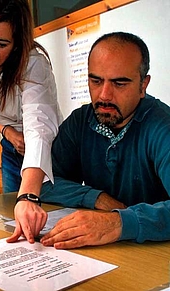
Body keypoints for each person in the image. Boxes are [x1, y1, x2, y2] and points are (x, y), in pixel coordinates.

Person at [40, 31, 170, 249]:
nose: (104, 95)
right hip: (102, 253)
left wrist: (118, 222)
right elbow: (45, 182)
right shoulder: (80, 121)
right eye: (96, 80)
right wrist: (95, 198)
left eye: (119, 83)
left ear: (143, 85)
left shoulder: (163, 127)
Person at [0, 0, 62, 244]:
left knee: (45, 213)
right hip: (10, 147)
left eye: (2, 44)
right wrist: (7, 131)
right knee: (10, 216)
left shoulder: (32, 63)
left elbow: (38, 127)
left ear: (17, 46)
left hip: (45, 152)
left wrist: (29, 196)